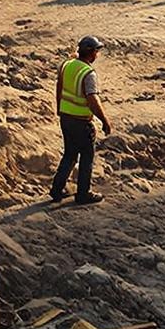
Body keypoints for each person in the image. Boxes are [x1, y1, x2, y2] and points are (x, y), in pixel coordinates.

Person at [50, 35, 112, 205]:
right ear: (91, 53)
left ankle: (56, 190)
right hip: (81, 122)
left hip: (66, 118)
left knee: (69, 155)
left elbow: (59, 86)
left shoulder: (67, 65)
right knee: (86, 157)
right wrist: (105, 120)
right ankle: (83, 194)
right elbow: (92, 100)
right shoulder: (88, 73)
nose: (97, 55)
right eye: (97, 51)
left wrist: (59, 108)